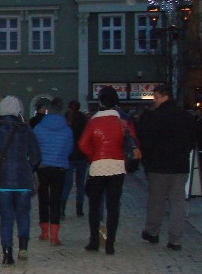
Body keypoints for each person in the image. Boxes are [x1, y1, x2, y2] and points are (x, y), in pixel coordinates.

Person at [0, 96, 41, 265]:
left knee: (6, 217)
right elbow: (36, 156)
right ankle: (23, 247)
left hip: (3, 181)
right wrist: (28, 166)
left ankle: (7, 254)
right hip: (23, 179)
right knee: (23, 214)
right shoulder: (26, 129)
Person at [137, 84, 197, 251]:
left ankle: (152, 232)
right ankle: (175, 239)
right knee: (178, 202)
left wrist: (147, 160)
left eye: (155, 97)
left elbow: (147, 141)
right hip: (180, 165)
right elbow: (192, 139)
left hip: (159, 165)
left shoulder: (156, 117)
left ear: (164, 96)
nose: (154, 100)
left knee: (156, 201)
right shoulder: (186, 117)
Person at [78, 86, 136, 255]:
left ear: (100, 103)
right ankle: (110, 243)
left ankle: (94, 241)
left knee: (95, 206)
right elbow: (133, 142)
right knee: (113, 206)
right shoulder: (122, 122)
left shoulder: (93, 122)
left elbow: (82, 144)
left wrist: (93, 156)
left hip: (98, 167)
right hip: (117, 166)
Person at [33, 97, 73, 246]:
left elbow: (35, 147)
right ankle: (54, 235)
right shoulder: (67, 129)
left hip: (43, 167)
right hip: (60, 167)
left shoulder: (39, 127)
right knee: (56, 199)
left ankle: (44, 231)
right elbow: (69, 149)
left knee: (43, 198)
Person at [61, 99, 89, 218]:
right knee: (80, 184)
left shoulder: (66, 118)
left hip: (69, 155)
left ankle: (62, 209)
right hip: (81, 155)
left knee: (67, 184)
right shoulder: (83, 119)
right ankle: (79, 209)